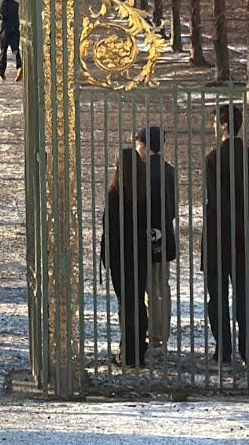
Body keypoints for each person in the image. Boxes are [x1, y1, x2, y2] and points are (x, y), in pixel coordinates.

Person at [202, 104, 249, 366]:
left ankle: (223, 351)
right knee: (244, 296)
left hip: (219, 236)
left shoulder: (213, 159)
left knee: (217, 298)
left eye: (215, 121)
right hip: (245, 238)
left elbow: (216, 200)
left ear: (224, 124)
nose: (213, 125)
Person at [102, 146, 151, 369]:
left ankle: (127, 352)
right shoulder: (145, 193)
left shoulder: (115, 194)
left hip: (120, 257)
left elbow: (108, 228)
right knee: (138, 302)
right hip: (140, 255)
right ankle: (138, 350)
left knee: (126, 304)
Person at [134, 125, 178, 355]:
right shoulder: (168, 170)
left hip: (146, 237)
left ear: (144, 144)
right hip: (165, 236)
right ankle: (160, 337)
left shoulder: (141, 172)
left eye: (138, 143)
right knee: (161, 288)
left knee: (148, 289)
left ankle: (152, 338)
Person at [0, 0, 22, 82]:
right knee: (15, 50)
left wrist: (0, 16)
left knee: (3, 51)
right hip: (15, 30)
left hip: (5, 31)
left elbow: (3, 16)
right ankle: (19, 67)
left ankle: (1, 73)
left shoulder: (4, 4)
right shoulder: (16, 4)